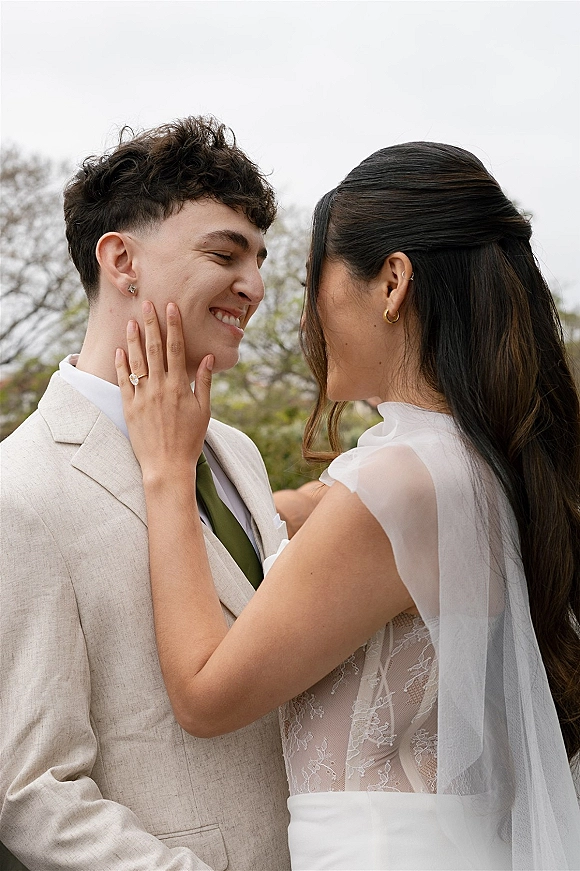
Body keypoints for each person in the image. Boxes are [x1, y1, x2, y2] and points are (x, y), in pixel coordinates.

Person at [115, 142, 580, 870]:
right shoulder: (487, 463)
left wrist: (171, 472)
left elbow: (205, 696)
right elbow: (325, 515)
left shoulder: (398, 481)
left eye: (313, 277)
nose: (301, 307)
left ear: (392, 281)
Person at [0, 117, 293, 870]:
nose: (255, 286)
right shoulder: (21, 488)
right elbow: (36, 788)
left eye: (260, 258)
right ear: (120, 258)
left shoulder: (239, 452)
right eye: (226, 253)